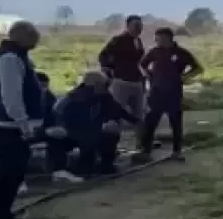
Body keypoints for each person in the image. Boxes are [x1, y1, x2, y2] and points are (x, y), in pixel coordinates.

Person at [0, 20, 43, 219]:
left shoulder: (16, 56)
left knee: (15, 174)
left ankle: (5, 214)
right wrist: (24, 124)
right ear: (21, 36)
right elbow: (12, 97)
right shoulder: (9, 59)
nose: (36, 41)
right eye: (33, 37)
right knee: (7, 176)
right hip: (8, 128)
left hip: (13, 127)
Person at [54, 70, 140, 176]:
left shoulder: (104, 96)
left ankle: (105, 164)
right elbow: (71, 122)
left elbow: (117, 109)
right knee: (89, 137)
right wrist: (99, 127)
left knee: (110, 134)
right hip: (73, 132)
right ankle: (82, 167)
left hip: (93, 131)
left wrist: (135, 121)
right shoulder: (74, 98)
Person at [138, 27, 202, 161]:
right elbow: (142, 65)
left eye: (159, 38)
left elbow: (198, 68)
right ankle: (145, 151)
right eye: (156, 38)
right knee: (150, 121)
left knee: (176, 122)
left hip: (174, 92)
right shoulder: (154, 51)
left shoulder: (181, 52)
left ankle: (177, 151)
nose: (156, 41)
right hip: (156, 92)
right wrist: (149, 75)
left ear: (167, 38)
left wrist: (184, 77)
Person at [98, 15, 146, 157]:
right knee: (115, 114)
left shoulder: (138, 41)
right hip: (121, 81)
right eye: (135, 25)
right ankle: (111, 147)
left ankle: (141, 146)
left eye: (140, 25)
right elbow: (103, 55)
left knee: (139, 114)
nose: (138, 28)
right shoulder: (118, 40)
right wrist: (108, 69)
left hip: (137, 81)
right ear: (128, 26)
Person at [35, 71, 84, 184]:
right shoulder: (18, 100)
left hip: (42, 131)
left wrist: (58, 128)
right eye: (41, 87)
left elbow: (53, 118)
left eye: (45, 87)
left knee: (58, 136)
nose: (43, 90)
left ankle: (60, 172)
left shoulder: (48, 97)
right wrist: (45, 131)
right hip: (19, 132)